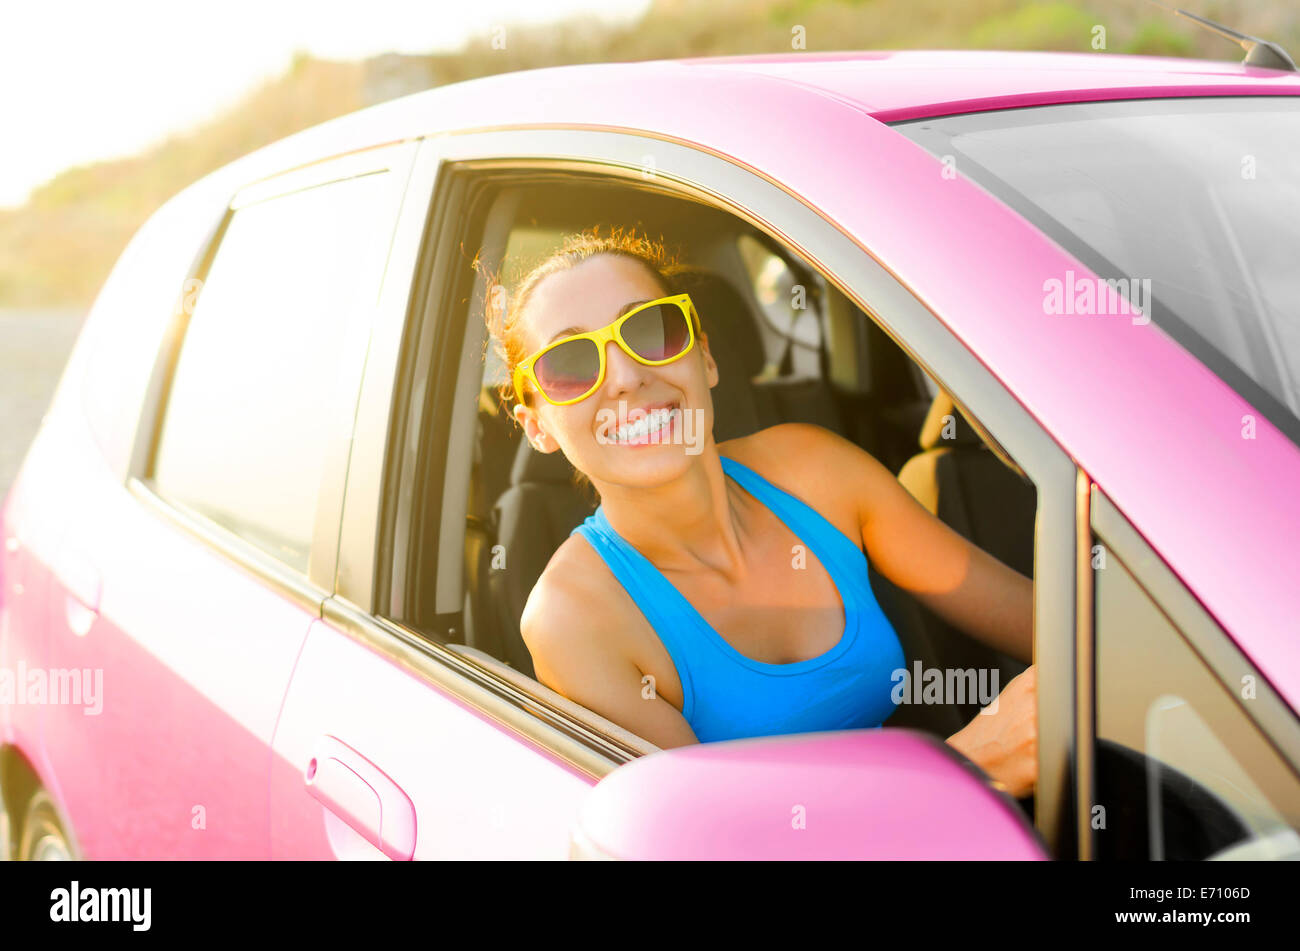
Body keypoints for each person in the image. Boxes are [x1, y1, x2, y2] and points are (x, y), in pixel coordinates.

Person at [483, 227, 1037, 798]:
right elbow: (722, 843)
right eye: (570, 366)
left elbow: (1045, 631)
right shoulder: (572, 620)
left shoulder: (815, 469)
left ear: (705, 356)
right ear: (537, 426)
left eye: (651, 331)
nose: (626, 378)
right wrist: (967, 767)